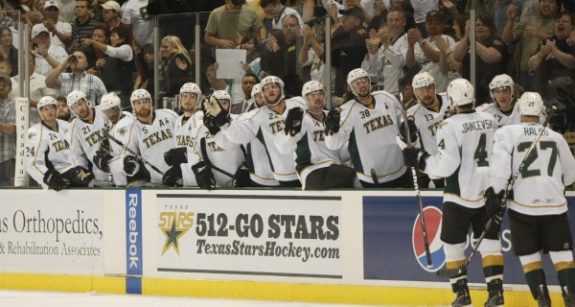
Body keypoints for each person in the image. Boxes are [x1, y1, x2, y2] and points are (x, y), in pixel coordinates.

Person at [402, 79, 502, 306]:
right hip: (488, 190)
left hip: (460, 193)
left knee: (452, 243)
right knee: (490, 243)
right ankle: (496, 292)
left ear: (453, 100)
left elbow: (446, 166)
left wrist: (421, 161)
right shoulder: (489, 120)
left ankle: (462, 293)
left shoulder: (448, 125)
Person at [488, 91, 575, 306]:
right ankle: (570, 296)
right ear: (541, 112)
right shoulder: (555, 136)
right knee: (562, 256)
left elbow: (499, 174)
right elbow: (571, 174)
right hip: (555, 207)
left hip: (522, 207)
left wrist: (496, 192)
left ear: (519, 111)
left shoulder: (506, 133)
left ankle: (543, 300)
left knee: (530, 257)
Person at [202, 75, 305, 187]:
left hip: (304, 170)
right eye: (262, 92)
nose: (269, 91)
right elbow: (232, 140)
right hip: (270, 176)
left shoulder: (298, 103)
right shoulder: (251, 117)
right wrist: (219, 126)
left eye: (274, 87)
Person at [324, 68, 411, 188]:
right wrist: (331, 129)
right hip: (372, 177)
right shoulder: (346, 110)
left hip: (401, 169)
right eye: (357, 83)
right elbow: (333, 145)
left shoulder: (386, 97)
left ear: (370, 82)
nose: (362, 85)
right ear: (350, 88)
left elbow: (404, 124)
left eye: (364, 81)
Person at [275, 80, 356, 190]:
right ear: (305, 99)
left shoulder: (332, 117)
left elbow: (342, 153)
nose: (317, 97)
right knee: (354, 177)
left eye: (320, 93)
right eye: (312, 95)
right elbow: (283, 148)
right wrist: (290, 132)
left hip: (335, 168)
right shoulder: (300, 119)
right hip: (312, 170)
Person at [25, 96, 93, 190]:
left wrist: (82, 167)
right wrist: (48, 178)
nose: (50, 111)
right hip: (57, 177)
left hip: (77, 174)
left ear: (57, 109)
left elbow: (79, 151)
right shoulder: (34, 132)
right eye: (46, 109)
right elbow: (33, 164)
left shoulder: (67, 126)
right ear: (40, 112)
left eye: (52, 107)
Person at [123, 89, 179, 185]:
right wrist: (129, 162)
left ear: (151, 103)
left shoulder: (169, 115)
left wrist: (180, 169)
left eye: (145, 101)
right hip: (157, 182)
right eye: (138, 103)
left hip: (181, 175)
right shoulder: (133, 129)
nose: (142, 105)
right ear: (133, 107)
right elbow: (129, 154)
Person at [406, 71, 451, 188]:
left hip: (459, 159)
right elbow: (409, 143)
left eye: (429, 88)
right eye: (420, 90)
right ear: (415, 93)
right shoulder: (412, 114)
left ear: (434, 87)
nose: (426, 93)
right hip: (437, 166)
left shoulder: (451, 99)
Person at [162, 82, 205, 187]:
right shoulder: (178, 121)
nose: (188, 100)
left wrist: (184, 156)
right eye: (185, 96)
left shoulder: (202, 119)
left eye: (192, 96)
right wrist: (177, 169)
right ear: (180, 98)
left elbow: (206, 153)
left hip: (202, 177)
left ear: (199, 99)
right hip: (186, 177)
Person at [67, 90, 112, 186]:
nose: (79, 108)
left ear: (86, 101)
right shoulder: (73, 127)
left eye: (80, 103)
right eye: (75, 107)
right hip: (101, 175)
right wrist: (83, 173)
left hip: (121, 166)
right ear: (72, 110)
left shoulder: (103, 110)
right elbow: (77, 155)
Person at [92, 92, 136, 186]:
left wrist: (107, 162)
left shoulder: (124, 124)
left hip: (130, 178)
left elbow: (128, 153)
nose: (111, 114)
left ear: (120, 107)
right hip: (124, 176)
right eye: (107, 111)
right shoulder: (126, 116)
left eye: (114, 109)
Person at [0, 74, 14, 186]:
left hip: (5, 157)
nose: (1, 87)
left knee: (7, 191)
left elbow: (11, 130)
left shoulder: (12, 105)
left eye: (4, 85)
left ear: (10, 89)